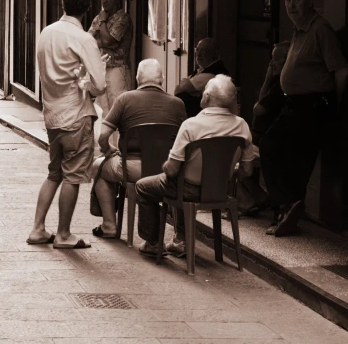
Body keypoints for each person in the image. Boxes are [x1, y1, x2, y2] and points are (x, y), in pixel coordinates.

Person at [260, 0, 348, 237]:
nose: (291, 5)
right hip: (297, 104)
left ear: (310, 1)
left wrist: (335, 102)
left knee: (274, 148)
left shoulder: (320, 29)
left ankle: (287, 205)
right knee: (290, 158)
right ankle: (289, 211)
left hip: (313, 105)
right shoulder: (299, 30)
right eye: (288, 0)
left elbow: (341, 69)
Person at [135, 75, 254, 258]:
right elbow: (247, 171)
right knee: (179, 181)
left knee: (144, 186)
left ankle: (152, 242)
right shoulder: (242, 126)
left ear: (206, 97)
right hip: (221, 191)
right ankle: (179, 241)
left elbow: (173, 169)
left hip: (188, 190)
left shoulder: (191, 125)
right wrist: (222, 172)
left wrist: (167, 166)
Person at [27, 0, 107, 249]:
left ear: (63, 3)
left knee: (54, 172)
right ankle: (63, 234)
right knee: (72, 175)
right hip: (75, 115)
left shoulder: (46, 32)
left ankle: (38, 228)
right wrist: (87, 77)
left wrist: (79, 76)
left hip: (51, 113)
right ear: (88, 8)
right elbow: (99, 85)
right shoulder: (84, 39)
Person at [91, 59, 186, 239]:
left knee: (97, 166)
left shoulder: (125, 99)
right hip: (166, 169)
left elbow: (103, 136)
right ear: (163, 79)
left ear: (137, 79)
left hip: (133, 168)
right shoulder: (178, 104)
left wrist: (108, 149)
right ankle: (177, 236)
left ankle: (109, 225)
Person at [236, 42, 290, 218]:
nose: (271, 63)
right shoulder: (279, 81)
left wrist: (267, 78)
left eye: (276, 59)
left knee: (228, 153)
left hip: (267, 139)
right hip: (261, 136)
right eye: (271, 58)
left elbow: (258, 109)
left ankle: (248, 199)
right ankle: (256, 196)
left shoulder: (284, 85)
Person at [88, 0, 133, 115]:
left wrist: (102, 22)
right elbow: (89, 39)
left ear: (117, 0)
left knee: (118, 109)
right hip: (101, 68)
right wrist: (105, 43)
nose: (105, 1)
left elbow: (108, 41)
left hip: (117, 69)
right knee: (102, 110)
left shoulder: (122, 18)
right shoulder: (99, 17)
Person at [174, 38, 229, 117]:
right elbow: (178, 89)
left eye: (204, 51)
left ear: (214, 53)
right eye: (197, 50)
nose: (198, 54)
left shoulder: (212, 73)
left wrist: (186, 84)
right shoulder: (202, 70)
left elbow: (179, 90)